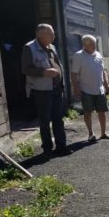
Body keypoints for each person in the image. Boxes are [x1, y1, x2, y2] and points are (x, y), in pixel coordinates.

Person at [21, 24, 71, 157]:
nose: (54, 36)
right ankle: (47, 149)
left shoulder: (51, 46)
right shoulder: (29, 47)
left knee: (58, 119)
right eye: (51, 34)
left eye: (53, 34)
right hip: (42, 91)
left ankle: (61, 146)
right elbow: (25, 69)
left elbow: (57, 64)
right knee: (44, 120)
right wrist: (43, 72)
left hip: (56, 88)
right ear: (40, 35)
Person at [71, 35, 109, 142]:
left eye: (94, 44)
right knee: (88, 111)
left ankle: (103, 133)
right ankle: (91, 133)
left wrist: (106, 85)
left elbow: (103, 71)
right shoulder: (78, 56)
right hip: (86, 89)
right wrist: (75, 87)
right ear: (84, 45)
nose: (94, 46)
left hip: (100, 89)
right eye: (91, 44)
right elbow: (74, 73)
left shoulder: (98, 55)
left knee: (102, 111)